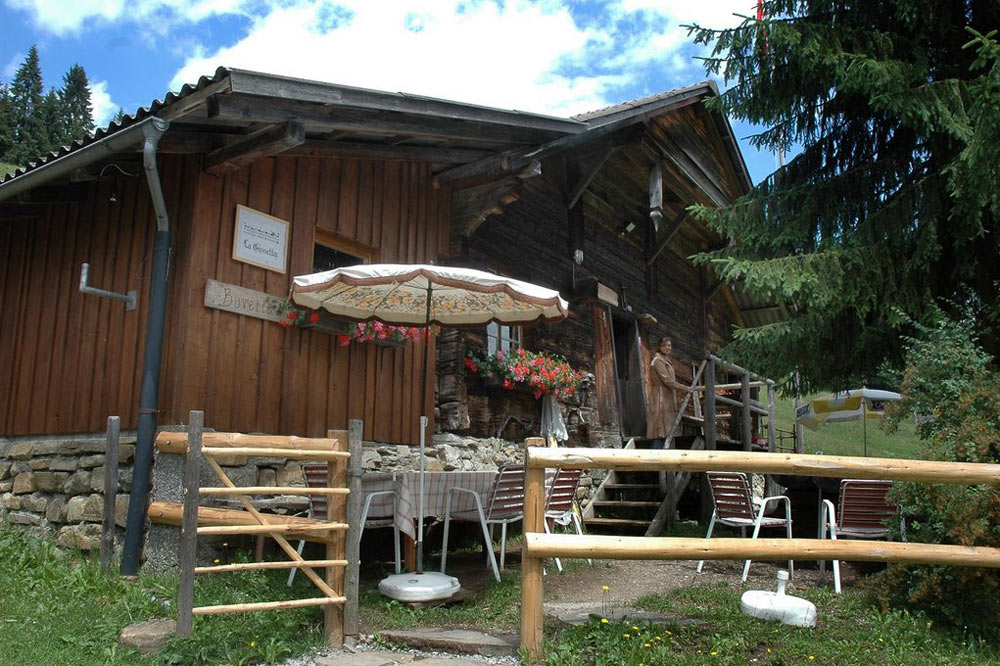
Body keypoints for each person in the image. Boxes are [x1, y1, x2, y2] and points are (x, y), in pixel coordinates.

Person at [646, 337, 691, 449]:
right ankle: (654, 456)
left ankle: (663, 455)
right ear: (659, 347)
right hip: (660, 396)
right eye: (665, 345)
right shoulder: (657, 361)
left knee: (666, 429)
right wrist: (685, 388)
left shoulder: (666, 360)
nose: (667, 348)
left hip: (667, 395)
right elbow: (667, 381)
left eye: (669, 345)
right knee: (660, 428)